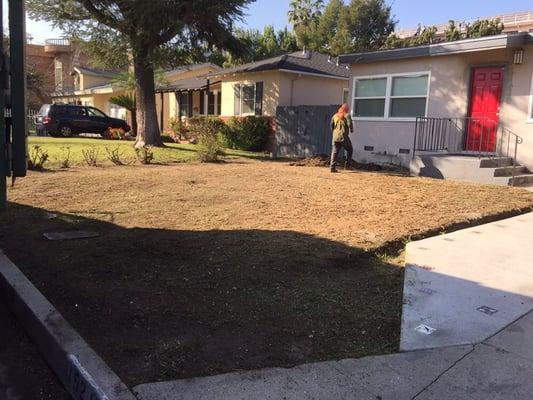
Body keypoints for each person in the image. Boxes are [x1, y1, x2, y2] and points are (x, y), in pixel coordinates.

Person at [330, 103, 353, 173]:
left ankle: (332, 168)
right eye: (347, 109)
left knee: (334, 152)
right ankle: (347, 165)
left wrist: (334, 132)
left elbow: (331, 126)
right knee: (350, 149)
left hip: (335, 137)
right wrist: (351, 129)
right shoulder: (347, 115)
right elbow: (349, 124)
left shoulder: (334, 116)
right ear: (346, 109)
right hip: (343, 136)